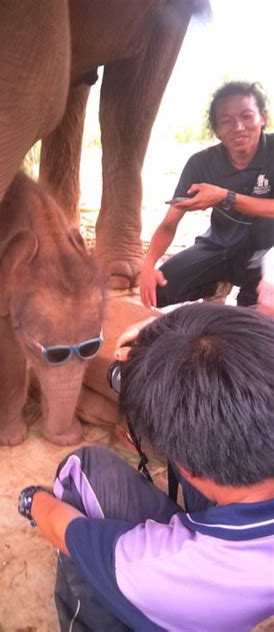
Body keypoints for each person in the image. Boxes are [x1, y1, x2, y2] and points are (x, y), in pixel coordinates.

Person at [17, 303, 274, 631]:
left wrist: (33, 500)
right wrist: (174, 338)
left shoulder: (156, 569)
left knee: (82, 470)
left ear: (187, 469)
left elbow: (66, 531)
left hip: (194, 595)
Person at [140, 81, 274, 309]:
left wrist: (224, 196)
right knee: (159, 292)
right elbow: (170, 223)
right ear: (216, 130)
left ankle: (252, 295)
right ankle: (216, 287)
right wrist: (147, 266)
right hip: (219, 246)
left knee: (253, 314)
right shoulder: (200, 163)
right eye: (226, 121)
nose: (238, 127)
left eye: (247, 116)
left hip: (266, 252)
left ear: (263, 117)